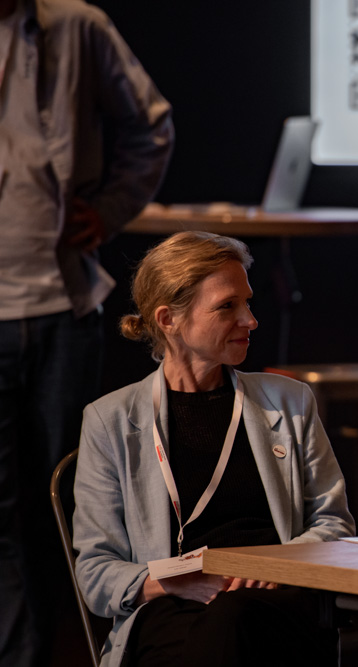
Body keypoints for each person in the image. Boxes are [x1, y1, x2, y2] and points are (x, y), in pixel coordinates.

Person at [72, 232, 355, 667]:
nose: (251, 320)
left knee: (232, 618)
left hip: (276, 608)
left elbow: (334, 526)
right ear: (168, 320)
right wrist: (173, 581)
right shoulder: (110, 420)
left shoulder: (290, 403)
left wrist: (271, 565)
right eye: (228, 306)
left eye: (248, 302)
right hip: (169, 612)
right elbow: (95, 575)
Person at [0, 0, 174, 664]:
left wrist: (108, 210)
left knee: (72, 502)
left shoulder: (74, 25)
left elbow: (151, 125)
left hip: (60, 306)